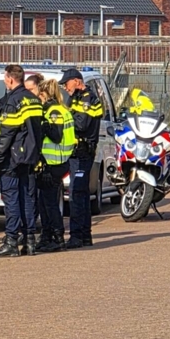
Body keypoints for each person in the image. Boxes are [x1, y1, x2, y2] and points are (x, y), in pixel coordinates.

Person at [0, 64, 43, 257]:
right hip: (30, 157)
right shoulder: (34, 100)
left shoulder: (14, 101)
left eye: (5, 77)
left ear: (10, 79)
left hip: (12, 158)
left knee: (11, 199)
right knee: (27, 199)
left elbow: (6, 136)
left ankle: (11, 240)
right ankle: (30, 241)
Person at [59, 68, 103, 249]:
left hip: (83, 152)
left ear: (77, 81)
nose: (64, 86)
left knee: (77, 193)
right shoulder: (76, 98)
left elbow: (81, 124)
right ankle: (84, 235)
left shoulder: (87, 99)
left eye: (66, 83)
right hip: (77, 152)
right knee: (81, 194)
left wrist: (63, 117)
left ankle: (78, 236)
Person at [34, 78, 75, 253]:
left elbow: (56, 136)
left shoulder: (54, 112)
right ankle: (47, 236)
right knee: (44, 202)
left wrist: (43, 125)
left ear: (44, 94)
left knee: (50, 203)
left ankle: (57, 237)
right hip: (54, 162)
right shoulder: (57, 109)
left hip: (54, 162)